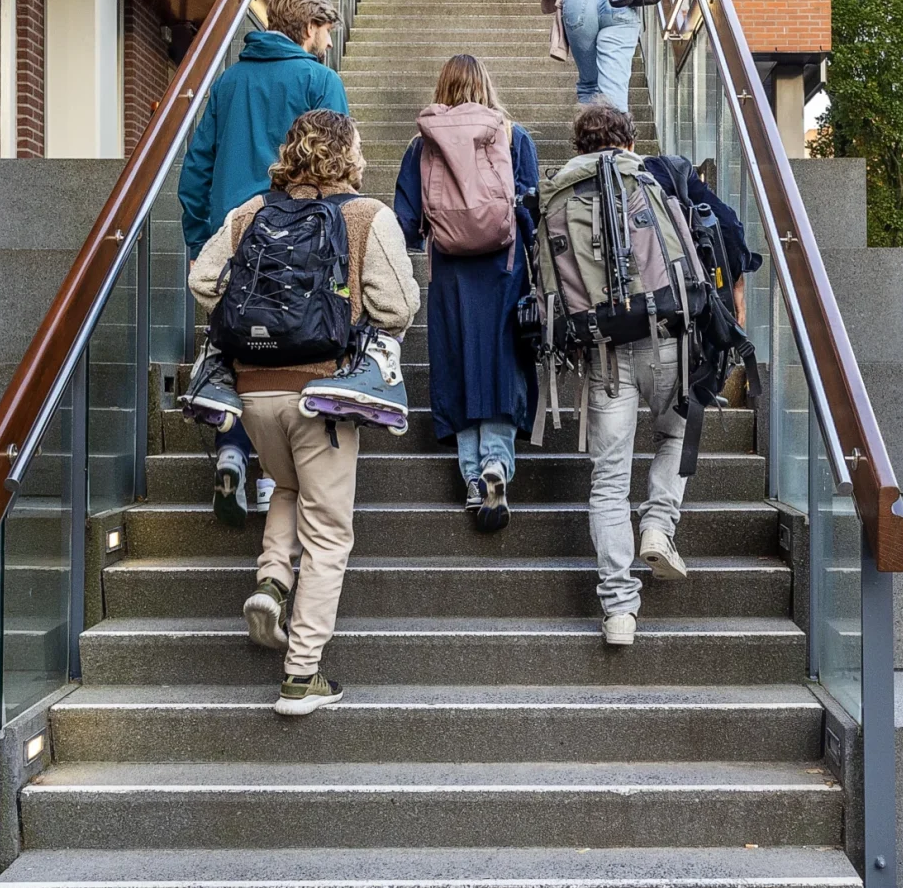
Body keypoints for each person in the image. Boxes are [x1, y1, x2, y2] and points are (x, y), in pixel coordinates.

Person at [190, 111, 420, 715]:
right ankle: (302, 674)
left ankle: (271, 581)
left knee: (285, 487)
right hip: (324, 394)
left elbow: (203, 279)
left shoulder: (248, 215)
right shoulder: (366, 217)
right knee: (329, 532)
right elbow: (397, 305)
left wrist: (252, 324)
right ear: (348, 156)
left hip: (253, 393)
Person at [569, 100, 758, 646]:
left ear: (581, 147)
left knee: (607, 481)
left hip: (603, 349)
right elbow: (728, 231)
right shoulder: (661, 173)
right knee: (676, 430)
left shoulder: (562, 191)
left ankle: (619, 612)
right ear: (630, 141)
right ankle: (657, 525)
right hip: (671, 336)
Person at [178, 0, 349, 528]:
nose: (326, 42)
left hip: (232, 236)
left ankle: (232, 450)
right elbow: (339, 165)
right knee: (290, 342)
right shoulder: (319, 81)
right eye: (324, 30)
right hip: (299, 238)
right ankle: (282, 474)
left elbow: (196, 167)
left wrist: (203, 236)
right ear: (307, 27)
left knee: (235, 343)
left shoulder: (228, 82)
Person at [394, 55, 539, 532]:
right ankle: (498, 462)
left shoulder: (422, 145)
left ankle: (474, 478)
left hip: (451, 272)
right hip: (504, 267)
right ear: (486, 87)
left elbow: (406, 222)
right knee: (501, 362)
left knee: (458, 364)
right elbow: (531, 205)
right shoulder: (513, 136)